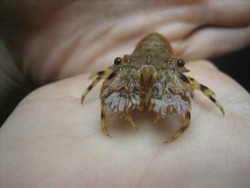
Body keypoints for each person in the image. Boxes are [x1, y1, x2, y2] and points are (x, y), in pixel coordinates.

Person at [0, 1, 250, 187]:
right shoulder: (128, 65)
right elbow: (101, 82)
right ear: (125, 61)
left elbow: (201, 90)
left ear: (176, 64)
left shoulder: (171, 67)